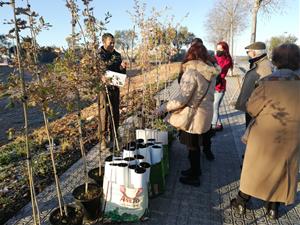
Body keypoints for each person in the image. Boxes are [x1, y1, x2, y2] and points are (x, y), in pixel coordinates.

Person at [230, 43, 300, 220]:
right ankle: (273, 209)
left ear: (276, 60)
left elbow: (252, 109)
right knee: (281, 171)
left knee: (255, 169)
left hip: (264, 137)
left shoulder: (268, 83)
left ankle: (241, 202)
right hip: (292, 137)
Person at [155, 43, 221, 186]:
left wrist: (163, 107)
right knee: (196, 145)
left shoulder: (191, 73)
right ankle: (194, 170)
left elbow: (182, 99)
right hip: (205, 113)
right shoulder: (210, 72)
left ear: (190, 55)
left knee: (192, 147)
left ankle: (195, 175)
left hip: (194, 115)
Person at [99, 33, 126, 149]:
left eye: (114, 42)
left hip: (115, 87)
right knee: (103, 113)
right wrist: (100, 76)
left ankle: (114, 136)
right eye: (111, 43)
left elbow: (121, 74)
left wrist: (122, 68)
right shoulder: (98, 56)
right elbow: (93, 72)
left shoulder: (117, 56)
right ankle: (102, 139)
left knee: (115, 112)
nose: (113, 45)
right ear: (104, 42)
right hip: (103, 89)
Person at [235, 41, 272, 127]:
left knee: (252, 129)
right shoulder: (257, 63)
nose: (248, 54)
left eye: (248, 52)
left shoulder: (265, 66)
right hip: (251, 104)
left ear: (254, 52)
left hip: (256, 106)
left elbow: (267, 89)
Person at [211, 41, 233, 131]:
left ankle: (213, 126)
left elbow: (219, 70)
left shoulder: (227, 60)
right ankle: (219, 124)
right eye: (217, 48)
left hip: (220, 86)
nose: (218, 50)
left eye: (221, 49)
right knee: (215, 107)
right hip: (212, 85)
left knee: (214, 107)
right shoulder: (215, 57)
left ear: (225, 49)